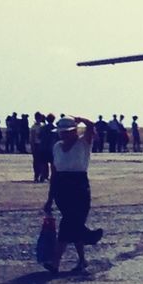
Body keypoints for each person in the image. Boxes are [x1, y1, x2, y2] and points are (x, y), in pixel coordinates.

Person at [42, 117, 103, 274]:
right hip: (61, 188)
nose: (63, 135)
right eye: (61, 132)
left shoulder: (84, 143)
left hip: (79, 187)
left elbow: (91, 126)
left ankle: (55, 263)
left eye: (66, 132)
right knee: (73, 225)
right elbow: (54, 172)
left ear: (74, 131)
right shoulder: (56, 147)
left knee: (68, 224)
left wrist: (79, 119)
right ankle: (83, 257)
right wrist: (50, 198)